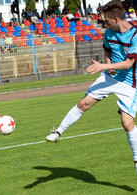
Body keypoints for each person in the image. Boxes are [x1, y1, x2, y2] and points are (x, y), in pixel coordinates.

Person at [46, 1, 137, 175]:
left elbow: (128, 64)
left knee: (127, 123)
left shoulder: (135, 36)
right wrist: (108, 64)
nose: (105, 23)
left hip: (130, 83)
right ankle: (58, 131)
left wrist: (102, 67)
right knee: (83, 104)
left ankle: (136, 160)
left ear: (116, 19)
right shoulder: (109, 33)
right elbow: (108, 50)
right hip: (110, 76)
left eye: (107, 20)